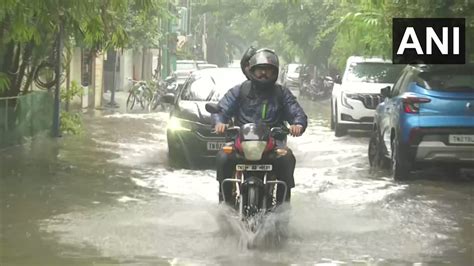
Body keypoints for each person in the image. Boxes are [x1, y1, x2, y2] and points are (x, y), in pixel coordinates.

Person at [212, 48, 308, 205]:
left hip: (273, 144)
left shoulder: (281, 93)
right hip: (241, 143)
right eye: (260, 71)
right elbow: (221, 109)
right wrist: (219, 122)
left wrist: (298, 124)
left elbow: (297, 112)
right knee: (223, 157)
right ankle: (226, 202)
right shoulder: (240, 90)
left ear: (275, 72)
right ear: (252, 71)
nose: (264, 74)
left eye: (268, 71)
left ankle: (283, 205)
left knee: (287, 158)